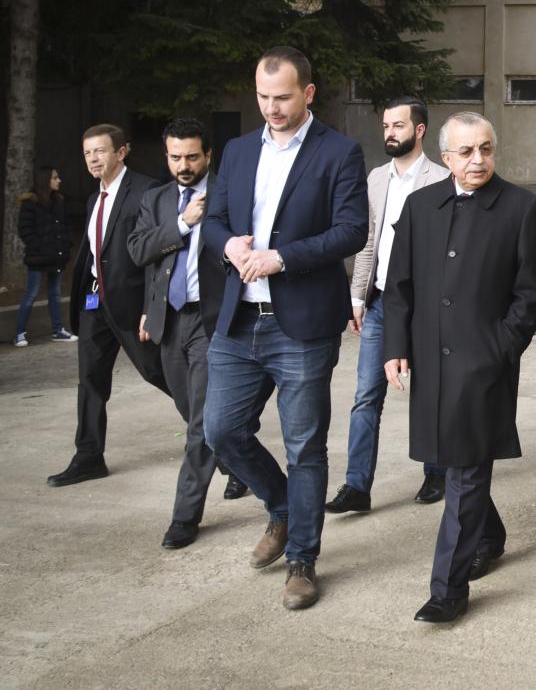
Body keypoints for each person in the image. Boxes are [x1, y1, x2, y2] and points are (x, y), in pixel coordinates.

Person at [202, 46, 369, 610]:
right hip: (238, 321)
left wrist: (282, 258)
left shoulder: (339, 152)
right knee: (221, 432)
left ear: (308, 93)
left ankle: (302, 559)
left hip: (300, 325)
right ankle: (281, 508)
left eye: (283, 97)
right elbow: (214, 220)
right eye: (263, 97)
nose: (271, 108)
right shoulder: (237, 150)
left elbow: (351, 230)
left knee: (305, 448)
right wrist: (228, 244)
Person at [383, 111, 536, 624]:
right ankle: (490, 535)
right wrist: (396, 346)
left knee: (467, 469)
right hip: (431, 361)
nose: (478, 160)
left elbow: (530, 295)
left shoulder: (522, 208)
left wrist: (501, 347)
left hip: (484, 364)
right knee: (455, 464)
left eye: (486, 149)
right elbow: (399, 286)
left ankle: (448, 591)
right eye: (466, 151)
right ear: (446, 157)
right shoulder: (419, 206)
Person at [127, 117, 263, 549]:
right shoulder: (157, 199)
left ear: (208, 155)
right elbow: (139, 251)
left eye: (191, 156)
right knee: (191, 412)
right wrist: (184, 223)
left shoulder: (231, 192)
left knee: (201, 423)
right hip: (170, 320)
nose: (183, 165)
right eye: (175, 157)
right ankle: (238, 465)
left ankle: (184, 516)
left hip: (214, 321)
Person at [325, 96, 450, 516]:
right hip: (381, 303)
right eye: (385, 126)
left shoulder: (442, 178)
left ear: (419, 130)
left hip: (427, 306)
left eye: (398, 125)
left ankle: (436, 472)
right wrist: (357, 296)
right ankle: (357, 486)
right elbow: (367, 242)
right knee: (365, 396)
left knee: (430, 393)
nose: (390, 133)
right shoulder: (376, 178)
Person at [46, 125, 171, 487]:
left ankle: (223, 446)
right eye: (87, 153)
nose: (93, 159)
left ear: (121, 151)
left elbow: (157, 254)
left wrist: (151, 306)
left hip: (132, 306)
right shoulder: (93, 199)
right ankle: (88, 457)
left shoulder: (147, 191)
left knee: (158, 372)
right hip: (94, 303)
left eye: (100, 151)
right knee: (90, 379)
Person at [14, 166, 76, 346]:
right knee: (31, 294)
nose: (59, 180)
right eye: (55, 178)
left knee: (55, 294)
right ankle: (19, 333)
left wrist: (65, 245)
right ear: (45, 180)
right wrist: (40, 248)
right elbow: (25, 230)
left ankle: (58, 330)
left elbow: (65, 226)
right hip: (38, 258)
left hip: (57, 257)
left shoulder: (58, 201)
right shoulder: (30, 203)